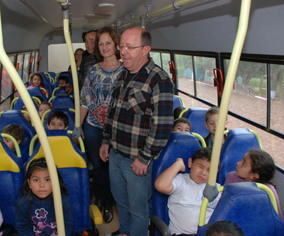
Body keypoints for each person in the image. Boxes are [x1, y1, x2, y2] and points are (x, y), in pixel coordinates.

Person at [99, 26, 174, 236]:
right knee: (121, 202)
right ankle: (124, 232)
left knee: (138, 209)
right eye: (121, 46)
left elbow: (162, 126)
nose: (123, 52)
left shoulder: (159, 80)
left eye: (129, 47)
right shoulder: (123, 74)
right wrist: (106, 141)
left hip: (137, 161)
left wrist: (145, 157)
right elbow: (112, 113)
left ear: (145, 49)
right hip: (115, 154)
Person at [80, 27, 123, 224]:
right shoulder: (92, 71)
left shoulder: (127, 71)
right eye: (101, 43)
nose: (104, 47)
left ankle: (116, 201)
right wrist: (77, 126)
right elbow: (84, 101)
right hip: (93, 127)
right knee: (98, 167)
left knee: (115, 168)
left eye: (108, 43)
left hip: (118, 130)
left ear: (116, 45)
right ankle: (104, 202)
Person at [155, 147, 221, 235]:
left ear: (215, 172)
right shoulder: (181, 181)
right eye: (200, 166)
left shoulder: (216, 188)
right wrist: (178, 164)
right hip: (181, 234)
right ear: (190, 163)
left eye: (210, 170)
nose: (203, 173)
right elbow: (160, 185)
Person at [16, 157, 73, 236]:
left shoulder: (63, 201)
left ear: (56, 181)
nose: (41, 185)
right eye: (36, 180)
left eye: (47, 180)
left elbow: (68, 225)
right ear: (29, 183)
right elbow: (23, 228)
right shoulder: (23, 203)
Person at [224, 148, 283, 220]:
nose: (238, 163)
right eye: (241, 160)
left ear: (254, 176)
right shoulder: (232, 177)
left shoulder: (268, 191)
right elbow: (223, 205)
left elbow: (277, 218)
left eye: (243, 163)